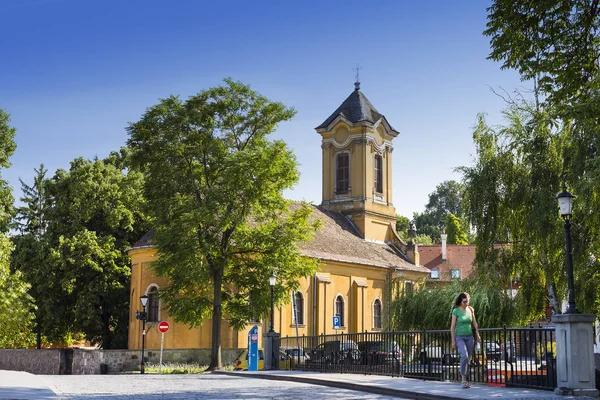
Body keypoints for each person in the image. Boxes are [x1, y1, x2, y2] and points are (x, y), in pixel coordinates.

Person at [450, 292, 481, 388]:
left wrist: (478, 335)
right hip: (459, 337)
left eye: (467, 301)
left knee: (468, 359)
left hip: (469, 337)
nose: (466, 303)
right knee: (464, 356)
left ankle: (466, 380)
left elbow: (475, 323)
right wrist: (453, 341)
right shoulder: (456, 311)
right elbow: (452, 326)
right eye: (464, 302)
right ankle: (463, 380)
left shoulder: (471, 310)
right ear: (460, 301)